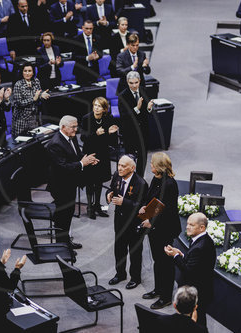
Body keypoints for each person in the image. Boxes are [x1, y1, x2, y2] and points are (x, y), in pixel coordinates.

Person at [47, 115, 99, 248]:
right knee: (62, 217)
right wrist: (82, 163)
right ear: (63, 127)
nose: (76, 129)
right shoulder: (55, 144)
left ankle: (66, 242)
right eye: (73, 127)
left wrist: (87, 159)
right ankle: (61, 246)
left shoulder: (71, 137)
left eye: (77, 126)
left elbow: (76, 155)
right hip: (60, 186)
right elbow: (63, 167)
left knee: (68, 214)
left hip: (70, 184)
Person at [139, 152, 181, 309]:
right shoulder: (156, 179)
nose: (150, 165)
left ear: (159, 167)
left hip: (165, 229)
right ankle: (158, 289)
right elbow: (153, 201)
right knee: (158, 261)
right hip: (155, 229)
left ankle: (166, 296)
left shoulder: (169, 184)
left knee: (166, 263)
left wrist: (152, 222)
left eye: (152, 163)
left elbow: (167, 210)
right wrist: (144, 206)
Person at [164, 212, 216, 328]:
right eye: (187, 224)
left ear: (202, 227)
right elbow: (195, 264)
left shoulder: (200, 246)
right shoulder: (202, 240)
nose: (187, 227)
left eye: (191, 225)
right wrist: (181, 255)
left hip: (198, 292)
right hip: (201, 289)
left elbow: (189, 271)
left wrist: (175, 256)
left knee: (197, 322)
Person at [106, 154, 147, 288]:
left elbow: (141, 207)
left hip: (134, 223)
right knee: (119, 249)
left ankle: (135, 277)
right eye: (119, 165)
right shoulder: (117, 176)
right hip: (119, 221)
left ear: (132, 168)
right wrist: (109, 193)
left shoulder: (141, 184)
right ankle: (120, 273)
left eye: (123, 166)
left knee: (134, 252)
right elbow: (112, 188)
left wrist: (124, 202)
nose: (120, 168)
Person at [81, 97, 118, 219]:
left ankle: (97, 205)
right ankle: (90, 207)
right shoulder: (87, 118)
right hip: (90, 153)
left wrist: (110, 133)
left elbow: (111, 141)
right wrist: (95, 134)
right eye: (95, 105)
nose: (96, 108)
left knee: (99, 180)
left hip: (102, 153)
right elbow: (83, 138)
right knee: (90, 181)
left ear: (104, 109)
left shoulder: (108, 119)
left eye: (99, 106)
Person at [118, 71, 153, 176]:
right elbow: (124, 116)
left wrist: (149, 108)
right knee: (130, 157)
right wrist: (137, 109)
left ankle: (140, 179)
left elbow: (147, 111)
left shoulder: (144, 91)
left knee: (143, 156)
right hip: (130, 132)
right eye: (131, 83)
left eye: (136, 82)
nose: (134, 85)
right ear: (127, 82)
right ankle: (130, 179)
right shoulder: (122, 96)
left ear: (140, 81)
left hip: (143, 130)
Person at [11, 63, 49, 137]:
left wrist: (41, 95)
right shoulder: (18, 85)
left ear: (33, 72)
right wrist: (33, 99)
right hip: (21, 120)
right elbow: (19, 103)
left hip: (33, 119)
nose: (27, 73)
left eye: (29, 71)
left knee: (33, 142)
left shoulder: (36, 81)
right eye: (25, 71)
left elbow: (38, 95)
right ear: (22, 72)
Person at [72, 20, 103, 86]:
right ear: (82, 28)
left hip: (94, 70)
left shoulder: (97, 38)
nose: (89, 30)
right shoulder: (76, 39)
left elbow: (101, 53)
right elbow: (74, 56)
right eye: (86, 28)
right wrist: (87, 58)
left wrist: (98, 56)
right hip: (81, 71)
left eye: (90, 28)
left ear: (93, 28)